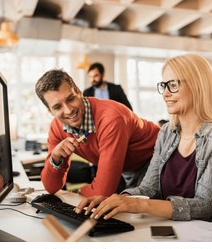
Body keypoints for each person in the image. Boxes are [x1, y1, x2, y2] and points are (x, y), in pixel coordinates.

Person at [75, 54, 212, 225]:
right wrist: (116, 200)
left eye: (173, 85)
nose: (165, 93)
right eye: (164, 85)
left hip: (210, 234)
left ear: (198, 87)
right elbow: (148, 188)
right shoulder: (167, 132)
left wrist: (138, 204)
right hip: (170, 227)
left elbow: (204, 205)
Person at [35, 69, 160, 197]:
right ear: (50, 111)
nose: (68, 110)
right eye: (57, 107)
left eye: (71, 99)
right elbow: (51, 187)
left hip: (156, 159)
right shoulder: (56, 128)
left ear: (78, 91)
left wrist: (78, 193)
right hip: (126, 169)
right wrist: (55, 158)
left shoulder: (111, 118)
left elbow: (102, 192)